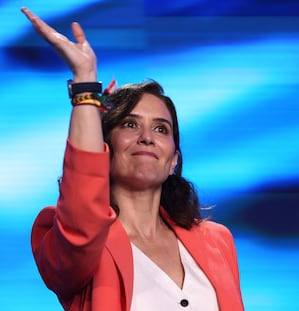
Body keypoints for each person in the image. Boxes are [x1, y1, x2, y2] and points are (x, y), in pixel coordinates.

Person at [21, 7, 244, 311]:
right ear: (104, 148)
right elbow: (82, 214)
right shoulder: (80, 242)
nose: (147, 136)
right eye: (129, 124)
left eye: (161, 128)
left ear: (174, 160)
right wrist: (86, 86)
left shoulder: (216, 241)